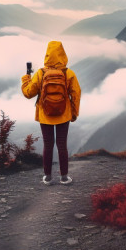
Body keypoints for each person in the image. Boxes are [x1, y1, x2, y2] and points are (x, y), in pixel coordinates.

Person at [21, 41, 81, 185]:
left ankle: (47, 177)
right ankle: (64, 177)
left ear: (47, 55)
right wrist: (74, 113)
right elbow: (76, 94)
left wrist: (26, 78)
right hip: (63, 114)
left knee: (48, 145)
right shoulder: (68, 73)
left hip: (45, 114)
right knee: (62, 145)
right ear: (62, 53)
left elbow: (28, 93)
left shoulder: (41, 73)